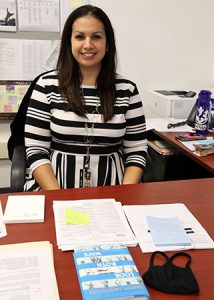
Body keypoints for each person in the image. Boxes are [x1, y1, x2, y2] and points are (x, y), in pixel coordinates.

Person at [24, 4, 147, 191]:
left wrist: (124, 195)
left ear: (107, 44)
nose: (88, 44)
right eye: (80, 36)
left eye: (96, 37)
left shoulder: (126, 90)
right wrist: (57, 195)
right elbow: (36, 150)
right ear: (69, 42)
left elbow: (136, 151)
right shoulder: (46, 85)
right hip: (54, 187)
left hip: (114, 189)